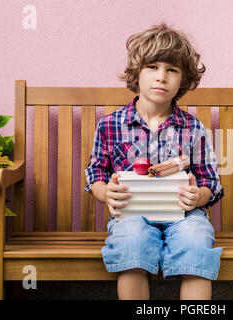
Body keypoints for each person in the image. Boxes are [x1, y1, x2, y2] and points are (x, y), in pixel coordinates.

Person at [84, 22, 224, 300]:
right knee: (132, 240)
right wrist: (104, 192)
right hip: (132, 214)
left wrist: (198, 197)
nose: (161, 77)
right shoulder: (110, 125)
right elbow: (96, 173)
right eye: (152, 67)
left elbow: (210, 182)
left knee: (197, 238)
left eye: (172, 70)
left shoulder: (194, 128)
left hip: (185, 216)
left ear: (183, 81)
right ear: (136, 73)